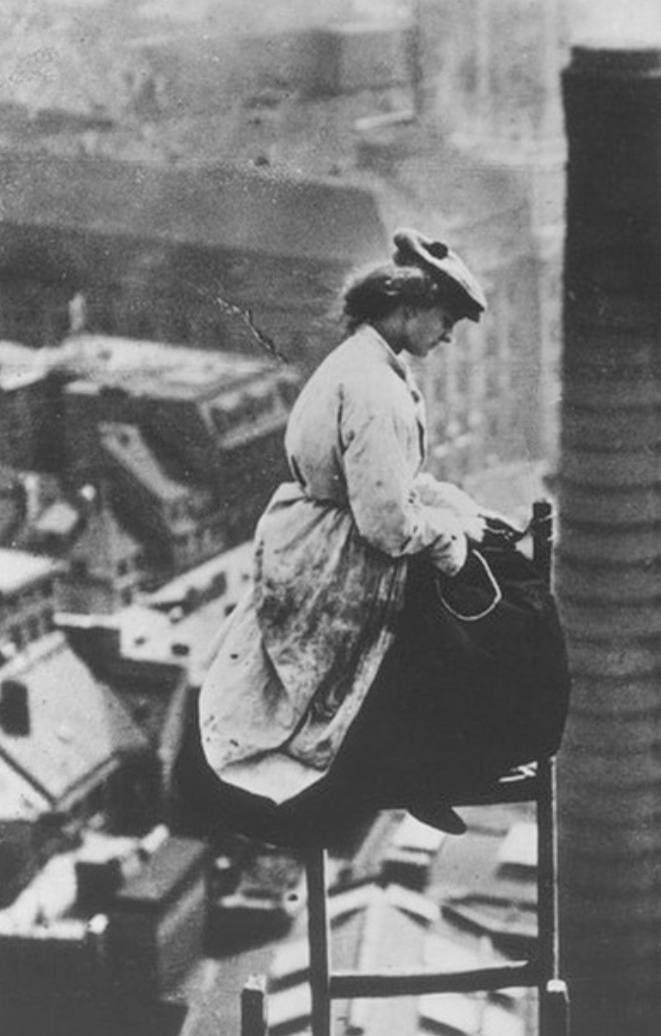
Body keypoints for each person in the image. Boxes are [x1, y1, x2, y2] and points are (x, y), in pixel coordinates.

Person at [195, 228, 507, 845]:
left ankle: (406, 775)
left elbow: (392, 482)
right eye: (445, 322)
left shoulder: (359, 365)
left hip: (317, 536)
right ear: (410, 308)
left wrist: (453, 507)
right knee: (447, 645)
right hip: (344, 554)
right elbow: (388, 526)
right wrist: (450, 544)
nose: (447, 338)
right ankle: (421, 778)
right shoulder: (374, 389)